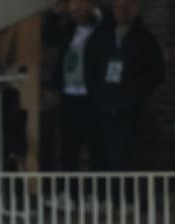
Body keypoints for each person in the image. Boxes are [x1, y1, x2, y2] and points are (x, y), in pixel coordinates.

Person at [86, 0, 164, 171]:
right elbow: (90, 68)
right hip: (104, 106)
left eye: (126, 7)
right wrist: (97, 94)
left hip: (129, 108)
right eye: (118, 7)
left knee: (125, 155)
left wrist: (136, 92)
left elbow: (156, 72)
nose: (122, 12)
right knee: (102, 153)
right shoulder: (101, 37)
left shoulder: (145, 39)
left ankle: (123, 188)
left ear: (135, 9)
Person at [43, 0, 108, 171]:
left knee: (96, 144)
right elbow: (50, 36)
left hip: (92, 94)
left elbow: (107, 21)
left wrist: (95, 11)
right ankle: (69, 185)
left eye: (79, 10)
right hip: (70, 94)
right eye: (72, 12)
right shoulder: (70, 28)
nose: (76, 15)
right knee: (69, 145)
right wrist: (54, 14)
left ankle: (97, 185)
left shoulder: (100, 28)